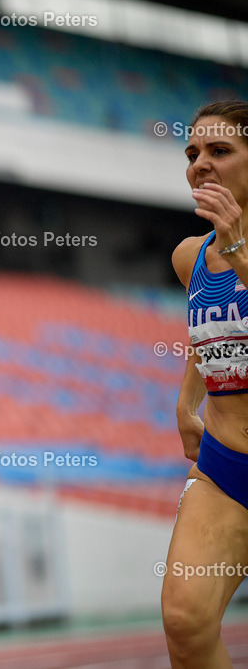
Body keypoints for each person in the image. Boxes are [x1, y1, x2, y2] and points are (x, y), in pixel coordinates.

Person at [163, 100, 248, 668]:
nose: (200, 164)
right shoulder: (191, 256)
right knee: (186, 622)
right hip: (225, 462)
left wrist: (239, 245)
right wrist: (185, 403)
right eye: (193, 153)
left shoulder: (232, 248)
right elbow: (209, 331)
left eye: (220, 151)